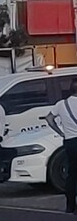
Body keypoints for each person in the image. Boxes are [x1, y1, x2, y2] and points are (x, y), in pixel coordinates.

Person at [46, 79, 77, 213]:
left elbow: (49, 119)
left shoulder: (61, 104)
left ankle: (70, 205)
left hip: (70, 141)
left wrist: (61, 132)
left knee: (72, 173)